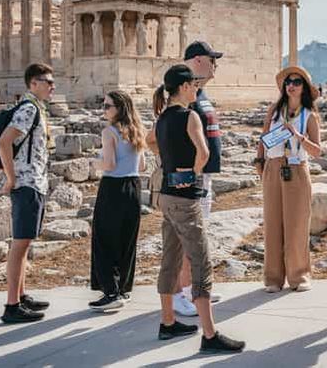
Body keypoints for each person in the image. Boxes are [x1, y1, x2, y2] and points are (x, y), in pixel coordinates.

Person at [148, 64, 245, 353]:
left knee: (170, 258)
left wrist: (170, 165)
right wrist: (191, 174)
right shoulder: (191, 116)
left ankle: (167, 322)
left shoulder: (162, 117)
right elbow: (203, 153)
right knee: (200, 260)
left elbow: (149, 142)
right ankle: (210, 335)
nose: (196, 89)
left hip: (165, 195)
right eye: (193, 84)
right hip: (186, 197)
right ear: (184, 87)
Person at [254, 66, 322, 293]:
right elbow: (263, 140)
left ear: (304, 88)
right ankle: (273, 278)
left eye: (296, 81)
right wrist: (259, 163)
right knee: (272, 223)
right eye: (288, 81)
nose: (291, 85)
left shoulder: (309, 115)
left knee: (297, 225)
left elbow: (317, 151)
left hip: (297, 169)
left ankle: (299, 275)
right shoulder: (274, 110)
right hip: (273, 169)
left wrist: (298, 136)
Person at [0, 63, 55, 324]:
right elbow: (4, 141)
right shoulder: (30, 109)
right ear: (33, 83)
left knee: (25, 242)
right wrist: (11, 178)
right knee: (20, 244)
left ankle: (20, 296)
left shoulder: (38, 109)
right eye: (47, 81)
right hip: (26, 183)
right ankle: (11, 306)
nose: (52, 86)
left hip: (36, 182)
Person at [171, 41, 225, 317]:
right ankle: (180, 293)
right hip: (193, 177)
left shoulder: (200, 93)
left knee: (198, 236)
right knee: (187, 237)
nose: (216, 64)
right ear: (199, 60)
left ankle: (195, 288)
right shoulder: (182, 92)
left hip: (205, 177)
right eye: (212, 59)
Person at [89, 90, 147, 311]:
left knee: (104, 240)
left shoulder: (109, 132)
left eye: (107, 106)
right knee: (126, 240)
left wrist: (95, 163)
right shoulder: (137, 131)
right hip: (133, 187)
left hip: (113, 187)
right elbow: (142, 166)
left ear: (120, 108)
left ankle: (111, 292)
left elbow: (109, 164)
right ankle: (123, 289)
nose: (104, 110)